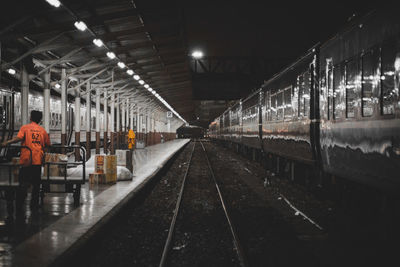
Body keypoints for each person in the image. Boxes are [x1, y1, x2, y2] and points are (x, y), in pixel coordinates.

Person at [1, 110, 50, 213]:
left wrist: (6, 143)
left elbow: (18, 138)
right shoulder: (43, 131)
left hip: (26, 161)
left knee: (22, 184)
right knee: (36, 186)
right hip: (37, 162)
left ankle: (19, 205)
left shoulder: (25, 128)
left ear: (31, 118)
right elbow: (47, 146)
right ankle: (34, 206)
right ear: (40, 120)